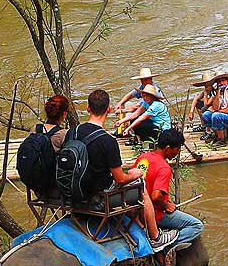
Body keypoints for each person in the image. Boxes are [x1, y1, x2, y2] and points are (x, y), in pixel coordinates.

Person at [65, 89, 178, 251]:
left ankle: (139, 225)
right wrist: (134, 173)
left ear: (88, 109)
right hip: (98, 198)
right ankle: (155, 237)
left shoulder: (72, 132)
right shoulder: (108, 141)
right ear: (109, 109)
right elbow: (120, 180)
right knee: (140, 184)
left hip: (74, 193)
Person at [132, 129, 204, 247]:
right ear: (167, 148)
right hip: (155, 214)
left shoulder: (143, 157)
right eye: (176, 150)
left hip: (138, 211)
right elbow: (155, 196)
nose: (176, 153)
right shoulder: (164, 168)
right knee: (197, 226)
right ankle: (167, 244)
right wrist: (167, 205)